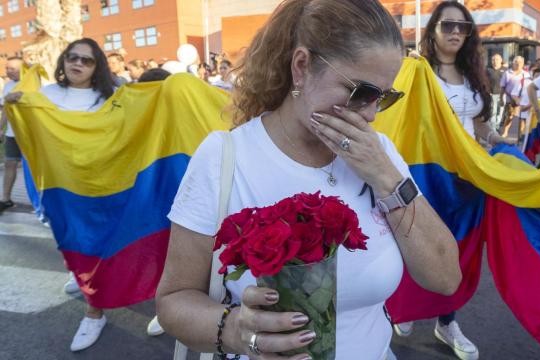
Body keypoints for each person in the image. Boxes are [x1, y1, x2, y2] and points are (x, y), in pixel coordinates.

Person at [156, 1, 462, 360]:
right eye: (360, 93)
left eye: (384, 97)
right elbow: (174, 300)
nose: (370, 115)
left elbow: (445, 278)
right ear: (301, 67)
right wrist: (239, 331)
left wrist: (385, 177)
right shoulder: (224, 158)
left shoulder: (381, 153)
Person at [4, 38, 162, 351]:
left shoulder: (112, 96)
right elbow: (28, 137)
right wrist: (16, 105)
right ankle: (86, 282)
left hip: (108, 187)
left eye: (86, 60)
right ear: (63, 60)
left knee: (99, 245)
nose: (77, 64)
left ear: (97, 66)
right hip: (65, 190)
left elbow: (138, 126)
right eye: (72, 57)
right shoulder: (46, 95)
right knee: (74, 244)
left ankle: (94, 312)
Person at [399, 3, 514, 359]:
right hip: (427, 175)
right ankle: (405, 307)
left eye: (463, 27)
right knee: (412, 245)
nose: (455, 32)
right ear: (433, 29)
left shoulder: (473, 74)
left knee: (456, 253)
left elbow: (479, 127)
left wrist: (499, 141)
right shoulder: (418, 71)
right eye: (447, 25)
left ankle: (446, 322)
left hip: (467, 178)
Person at [0, 56, 24, 212]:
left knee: (35, 168)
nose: (8, 71)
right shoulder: (8, 86)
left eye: (12, 68)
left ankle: (43, 202)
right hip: (11, 134)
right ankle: (5, 199)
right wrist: (1, 129)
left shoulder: (36, 84)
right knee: (10, 163)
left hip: (31, 135)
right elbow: (5, 110)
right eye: (7, 68)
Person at [500, 56, 531, 136]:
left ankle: (521, 133)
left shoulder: (526, 74)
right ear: (513, 63)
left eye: (520, 62)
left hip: (522, 98)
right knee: (509, 116)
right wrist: (501, 98)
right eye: (516, 62)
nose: (518, 63)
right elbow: (502, 86)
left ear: (523, 64)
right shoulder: (507, 73)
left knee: (522, 117)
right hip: (510, 98)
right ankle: (505, 131)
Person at [487, 53, 506, 130]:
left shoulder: (505, 70)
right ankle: (493, 129)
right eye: (493, 59)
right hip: (492, 94)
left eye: (497, 59)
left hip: (503, 95)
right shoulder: (488, 70)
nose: (495, 61)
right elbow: (484, 81)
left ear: (501, 60)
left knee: (500, 112)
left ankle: (497, 126)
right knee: (492, 112)